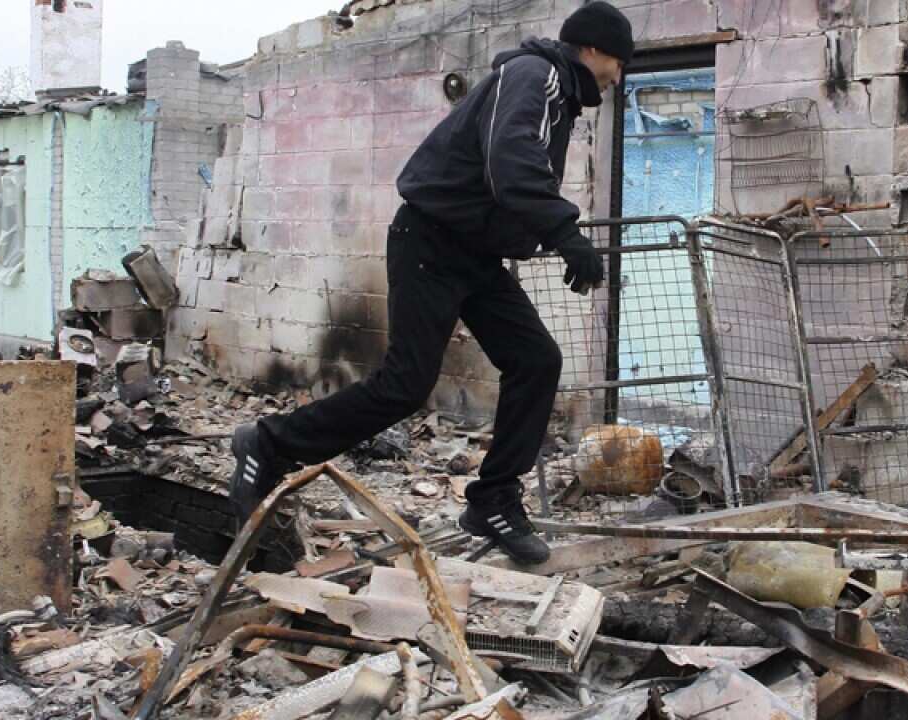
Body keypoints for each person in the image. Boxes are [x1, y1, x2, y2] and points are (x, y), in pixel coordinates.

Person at [228, 1, 635, 565]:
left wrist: (542, 235)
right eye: (621, 61)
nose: (620, 75)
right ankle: (268, 442)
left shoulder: (556, 93)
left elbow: (506, 179)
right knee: (405, 384)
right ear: (595, 49)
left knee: (536, 359)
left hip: (474, 253)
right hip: (432, 241)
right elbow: (511, 164)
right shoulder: (536, 76)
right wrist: (566, 232)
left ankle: (493, 500)